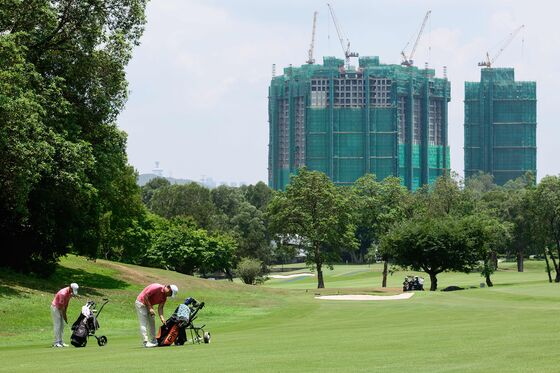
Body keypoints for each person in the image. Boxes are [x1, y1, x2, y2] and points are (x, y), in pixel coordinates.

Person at [135, 283, 178, 347]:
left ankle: (153, 341)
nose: (170, 295)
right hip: (141, 303)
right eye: (170, 293)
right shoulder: (157, 287)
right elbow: (145, 296)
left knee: (152, 322)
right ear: (169, 288)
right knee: (143, 323)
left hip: (149, 305)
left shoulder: (164, 298)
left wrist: (162, 318)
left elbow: (160, 308)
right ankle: (145, 342)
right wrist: (150, 308)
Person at [51, 283, 79, 347]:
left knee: (62, 325)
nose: (73, 292)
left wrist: (65, 313)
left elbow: (66, 304)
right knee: (58, 325)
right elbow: (61, 307)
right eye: (72, 290)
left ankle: (61, 341)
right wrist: (64, 316)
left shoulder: (70, 293)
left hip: (61, 307)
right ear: (70, 288)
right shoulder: (63, 293)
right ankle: (56, 342)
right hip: (55, 308)